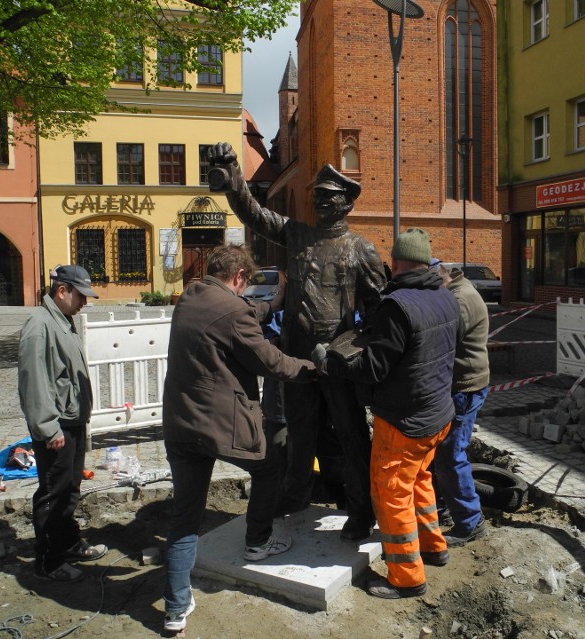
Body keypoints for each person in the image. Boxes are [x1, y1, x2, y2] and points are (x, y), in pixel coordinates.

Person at [207, 142, 386, 542]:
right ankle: (295, 497)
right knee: (299, 436)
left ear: (346, 204)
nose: (320, 202)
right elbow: (254, 214)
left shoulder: (362, 250)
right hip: (297, 361)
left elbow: (378, 317)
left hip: (339, 365)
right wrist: (234, 174)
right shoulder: (297, 235)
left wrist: (352, 354)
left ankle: (360, 512)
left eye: (329, 197)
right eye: (317, 196)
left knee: (353, 439)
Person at [161, 245, 316, 633]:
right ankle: (257, 543)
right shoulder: (233, 311)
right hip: (218, 425)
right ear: (239, 278)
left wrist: (272, 304)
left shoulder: (190, 298)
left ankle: (176, 609)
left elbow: (235, 314)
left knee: (185, 516)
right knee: (267, 468)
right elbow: (271, 362)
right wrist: (315, 368)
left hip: (180, 424)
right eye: (246, 285)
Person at [318, 229, 460, 599]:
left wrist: (331, 363)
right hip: (437, 413)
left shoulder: (397, 306)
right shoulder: (445, 297)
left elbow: (372, 369)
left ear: (395, 263)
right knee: (419, 480)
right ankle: (433, 546)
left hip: (404, 420)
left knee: (391, 493)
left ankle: (406, 578)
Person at [18, 265, 107, 583]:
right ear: (62, 290)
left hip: (71, 422)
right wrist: (47, 427)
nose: (84, 302)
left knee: (69, 490)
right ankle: (48, 561)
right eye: (81, 295)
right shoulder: (40, 325)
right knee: (53, 494)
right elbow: (34, 381)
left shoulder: (62, 321)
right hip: (56, 427)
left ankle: (68, 544)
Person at [432, 261, 491, 547]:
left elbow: (440, 342)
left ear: (442, 277)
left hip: (465, 388)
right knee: (443, 453)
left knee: (450, 455)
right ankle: (444, 510)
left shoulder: (459, 299)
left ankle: (470, 521)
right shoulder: (456, 292)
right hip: (461, 385)